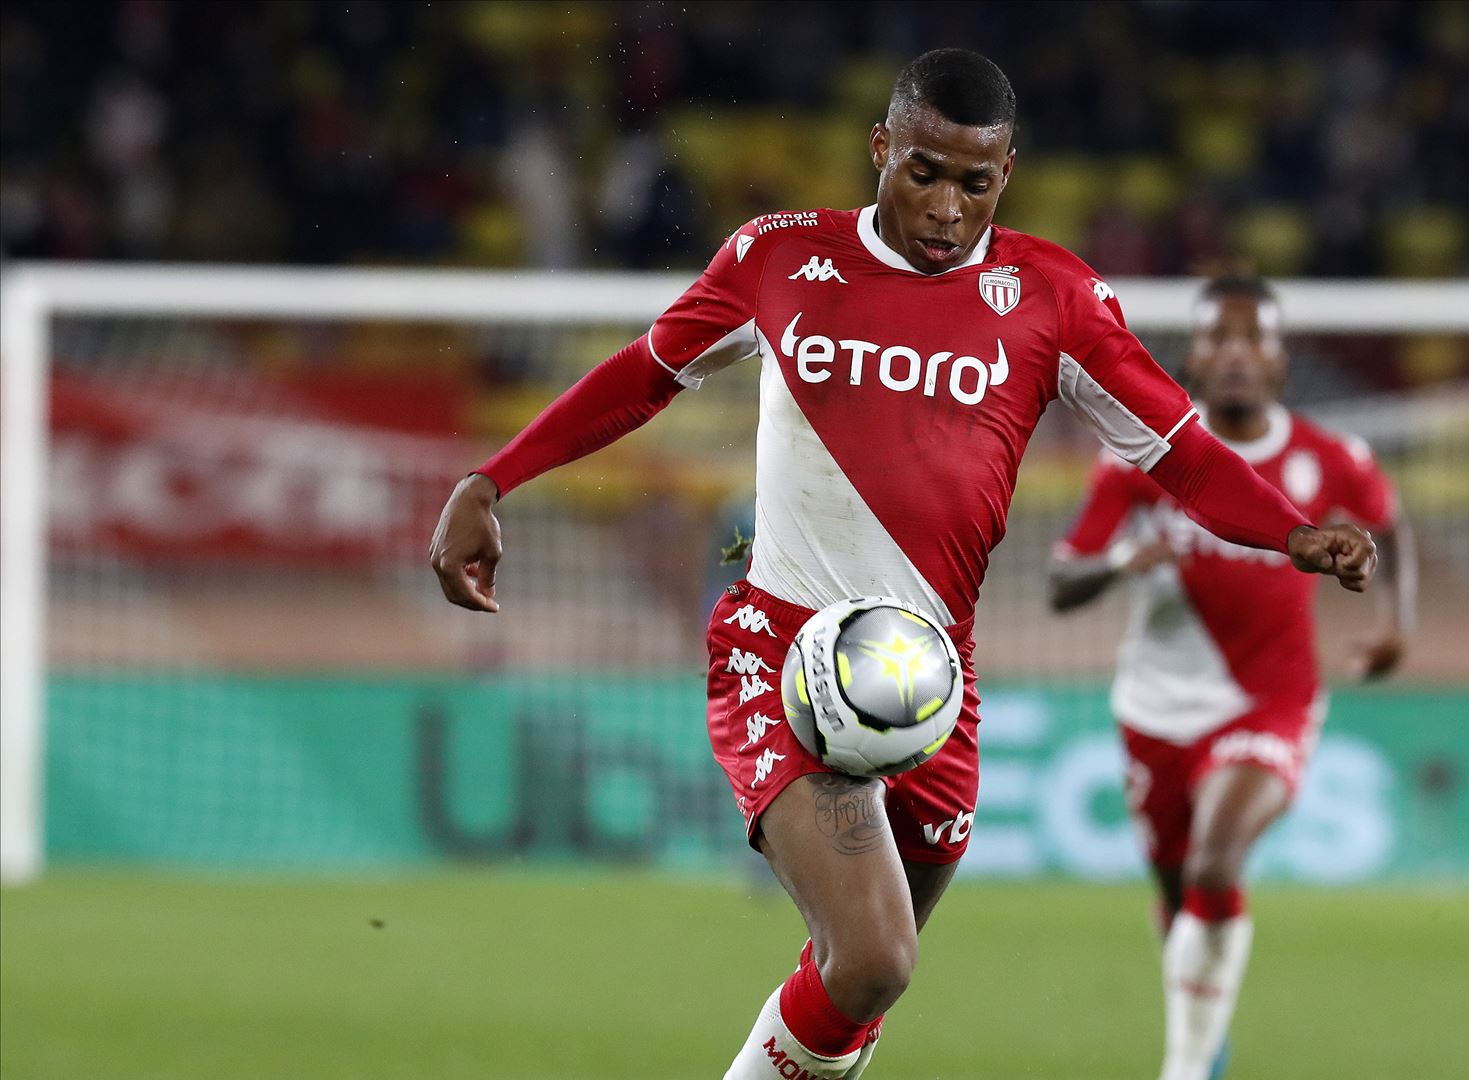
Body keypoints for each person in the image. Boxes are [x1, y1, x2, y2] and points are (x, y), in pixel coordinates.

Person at [428, 50, 1376, 1079]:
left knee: (857, 985)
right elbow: (643, 374)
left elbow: (1181, 450)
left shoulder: (1053, 297)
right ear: (880, 148)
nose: (946, 208)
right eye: (924, 172)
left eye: (976, 183)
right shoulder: (780, 257)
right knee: (875, 957)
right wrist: (492, 479)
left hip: (929, 682)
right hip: (783, 652)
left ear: (1006, 175)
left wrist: (1292, 531)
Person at [1049, 274, 1415, 1080]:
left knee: (1215, 866)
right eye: (1220, 337)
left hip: (1268, 702)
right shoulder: (1141, 460)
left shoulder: (1329, 460)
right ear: (1193, 357)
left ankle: (1183, 1067)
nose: (1239, 354)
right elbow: (1060, 583)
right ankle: (1204, 1046)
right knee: (1180, 897)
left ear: (1282, 360)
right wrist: (1122, 561)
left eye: (1257, 339)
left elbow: (1388, 528)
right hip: (1154, 709)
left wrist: (1395, 624)